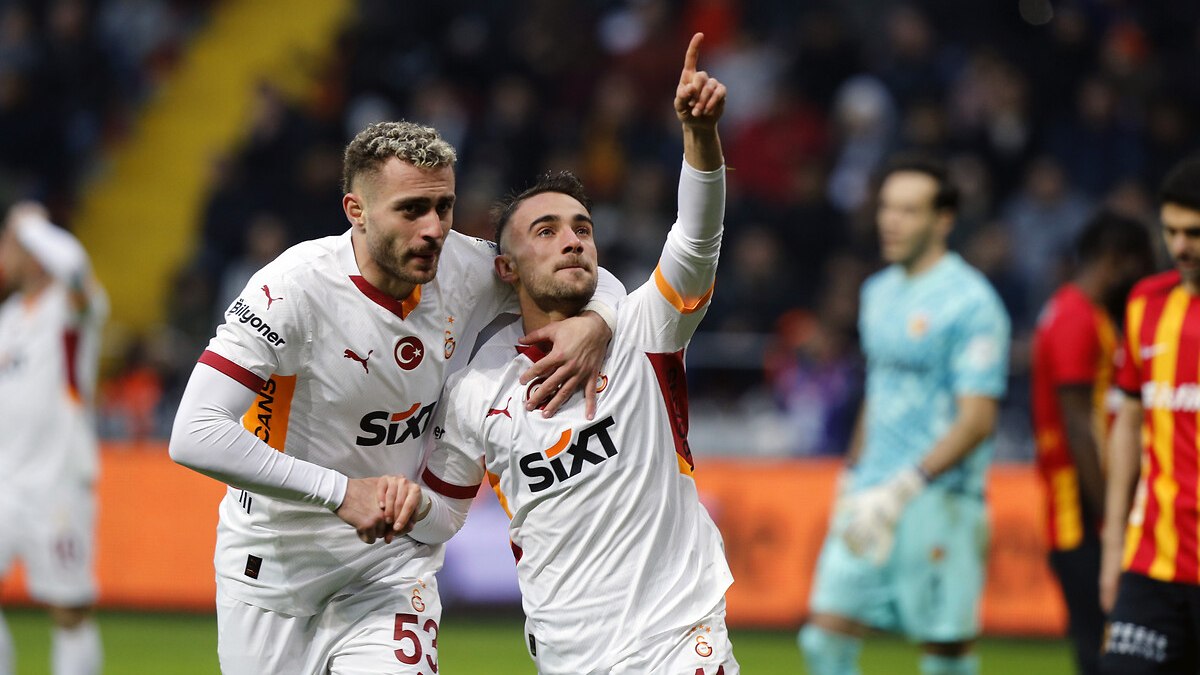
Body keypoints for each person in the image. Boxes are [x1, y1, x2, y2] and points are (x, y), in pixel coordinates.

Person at [167, 119, 625, 674]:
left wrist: (596, 321)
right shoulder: (291, 289)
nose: (434, 230)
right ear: (356, 211)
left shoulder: (466, 266)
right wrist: (341, 493)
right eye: (411, 210)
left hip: (391, 564)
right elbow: (195, 432)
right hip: (274, 564)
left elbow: (582, 271)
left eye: (444, 207)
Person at [410, 33, 737, 674]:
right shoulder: (475, 391)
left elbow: (698, 241)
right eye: (547, 231)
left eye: (583, 228)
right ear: (506, 268)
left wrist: (700, 138)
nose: (573, 240)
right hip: (565, 653)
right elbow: (442, 512)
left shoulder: (644, 327)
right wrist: (377, 499)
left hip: (678, 640)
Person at [798, 156, 1012, 675]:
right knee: (823, 639)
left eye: (909, 211)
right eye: (886, 208)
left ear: (944, 220)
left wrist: (904, 488)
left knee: (945, 658)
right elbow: (879, 390)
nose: (891, 221)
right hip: (869, 494)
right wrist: (852, 477)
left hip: (940, 500)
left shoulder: (973, 303)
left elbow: (978, 419)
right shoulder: (877, 293)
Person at [1030, 210, 1155, 675]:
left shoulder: (1074, 312)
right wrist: (1111, 517)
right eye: (1139, 264)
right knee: (1102, 643)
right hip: (1080, 510)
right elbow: (1080, 425)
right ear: (1116, 260)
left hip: (1079, 505)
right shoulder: (1077, 319)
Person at [1100, 156, 1200, 674]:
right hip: (1152, 559)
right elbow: (1129, 422)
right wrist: (1114, 539)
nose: (1180, 247)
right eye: (1170, 231)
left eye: (1194, 233)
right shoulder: (1145, 303)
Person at [0, 202, 107, 675]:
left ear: (35, 251)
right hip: (5, 480)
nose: (3, 250)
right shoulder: (7, 318)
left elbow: (75, 268)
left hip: (58, 479)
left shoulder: (71, 307)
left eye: (10, 242)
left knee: (69, 611)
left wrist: (32, 226)